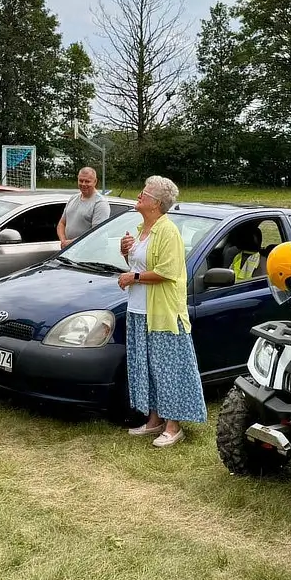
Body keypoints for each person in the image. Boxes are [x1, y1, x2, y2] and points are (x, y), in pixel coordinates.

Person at [118, 176, 206, 447]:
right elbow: (139, 263)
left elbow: (167, 271)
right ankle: (154, 420)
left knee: (168, 370)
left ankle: (173, 426)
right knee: (147, 368)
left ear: (156, 203)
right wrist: (125, 253)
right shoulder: (141, 229)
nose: (139, 196)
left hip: (162, 314)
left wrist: (132, 277)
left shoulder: (168, 232)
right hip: (138, 310)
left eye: (143, 193)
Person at [57, 167, 110, 248]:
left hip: (89, 252)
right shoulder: (73, 198)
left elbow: (96, 234)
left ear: (95, 181)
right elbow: (61, 223)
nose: (83, 184)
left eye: (87, 181)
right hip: (70, 250)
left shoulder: (100, 203)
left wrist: (72, 243)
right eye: (81, 181)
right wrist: (63, 241)